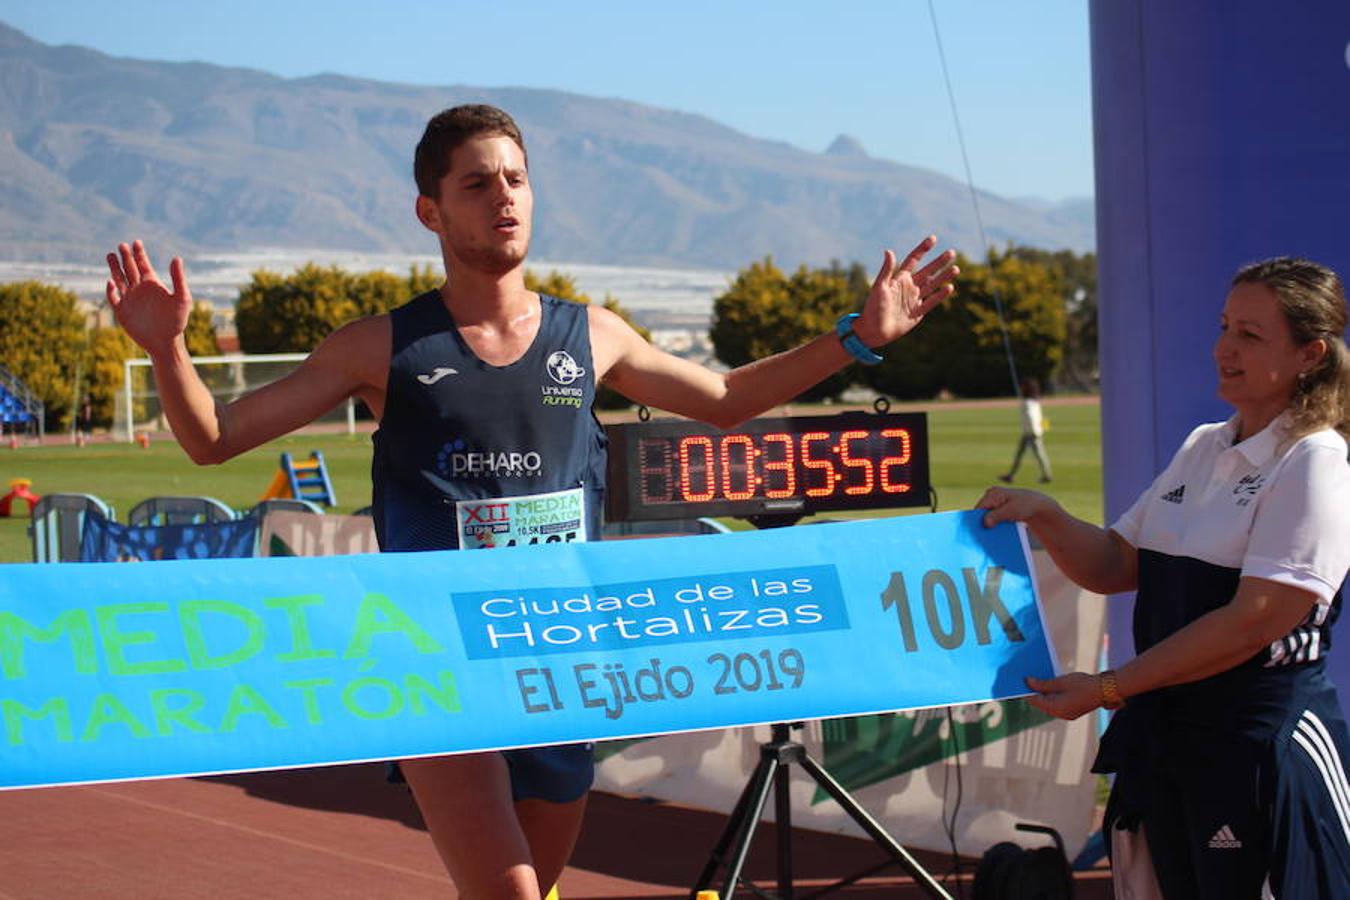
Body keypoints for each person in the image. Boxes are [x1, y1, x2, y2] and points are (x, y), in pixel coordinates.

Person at [104, 104, 959, 900]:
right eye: (476, 184)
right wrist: (170, 348)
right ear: (430, 213)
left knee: (530, 890)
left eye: (514, 179)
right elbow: (215, 436)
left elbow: (729, 398)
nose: (502, 199)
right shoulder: (379, 347)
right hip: (438, 657)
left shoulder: (592, 333)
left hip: (559, 657)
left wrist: (857, 337)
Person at [977, 257, 1350, 898]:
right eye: (1224, 326)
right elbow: (1116, 564)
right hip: (1171, 738)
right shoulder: (1204, 445)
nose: (1224, 348)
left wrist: (1110, 687)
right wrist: (1047, 516)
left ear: (1310, 353)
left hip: (1258, 745)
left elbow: (1253, 620)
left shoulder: (1315, 461)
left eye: (1250, 335)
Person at [998, 376, 1051, 483]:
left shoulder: (1028, 403)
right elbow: (1042, 417)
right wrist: (1044, 429)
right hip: (1030, 432)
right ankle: (1011, 475)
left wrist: (1035, 432)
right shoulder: (1033, 401)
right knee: (1022, 454)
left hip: (1031, 433)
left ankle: (1047, 475)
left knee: (1039, 454)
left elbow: (1033, 417)